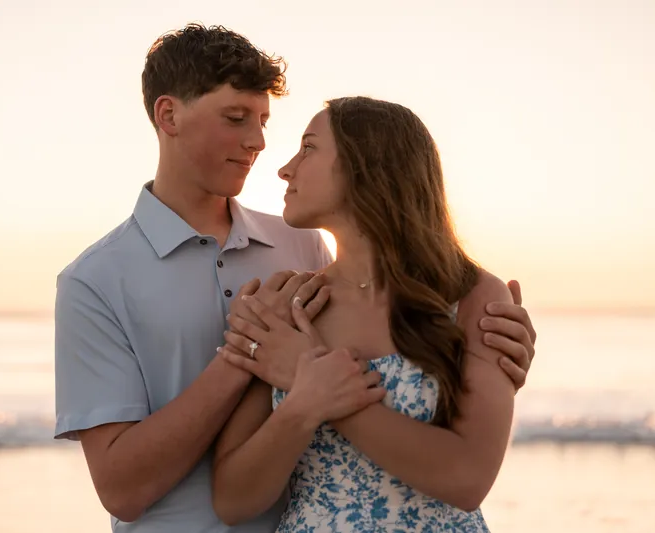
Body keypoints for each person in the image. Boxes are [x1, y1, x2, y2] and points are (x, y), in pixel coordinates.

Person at [53, 24, 537, 533]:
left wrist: (495, 360)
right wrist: (253, 356)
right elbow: (125, 492)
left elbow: (400, 330)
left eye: (263, 120)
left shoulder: (301, 248)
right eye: (236, 119)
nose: (261, 143)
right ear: (168, 115)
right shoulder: (95, 281)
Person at [211, 97, 528, 532]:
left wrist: (324, 393)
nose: (286, 169)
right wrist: (302, 406)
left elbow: (467, 478)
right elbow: (232, 499)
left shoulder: (473, 297)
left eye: (308, 148)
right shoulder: (292, 305)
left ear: (367, 166)